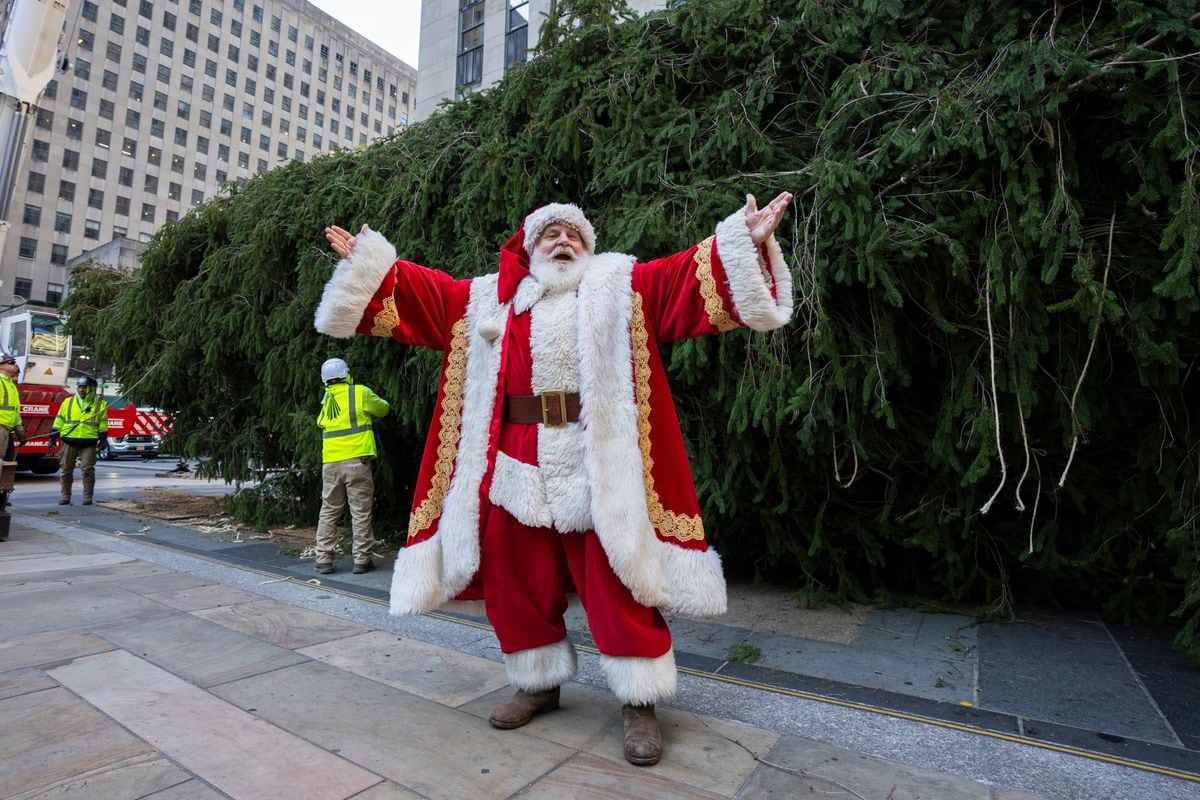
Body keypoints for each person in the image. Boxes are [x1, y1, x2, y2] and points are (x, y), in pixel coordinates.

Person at [315, 192, 794, 766]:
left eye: (574, 236)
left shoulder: (624, 286)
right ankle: (537, 682)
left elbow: (689, 281)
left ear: (589, 249)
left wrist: (744, 240)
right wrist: (371, 265)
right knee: (516, 579)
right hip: (515, 464)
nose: (563, 243)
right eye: (551, 235)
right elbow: (425, 296)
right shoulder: (488, 299)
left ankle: (639, 700)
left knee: (616, 581)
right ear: (530, 246)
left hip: (597, 465)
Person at [314, 356, 390, 575]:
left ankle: (323, 560)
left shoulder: (328, 399)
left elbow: (321, 423)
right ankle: (362, 560)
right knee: (360, 512)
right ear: (346, 374)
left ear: (325, 380)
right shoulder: (360, 392)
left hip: (330, 464)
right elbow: (383, 409)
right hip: (356, 462)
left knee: (328, 510)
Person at [48, 375, 108, 506]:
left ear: (92, 389)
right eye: (79, 387)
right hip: (69, 439)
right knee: (66, 469)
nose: (81, 389)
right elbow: (59, 420)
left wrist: (103, 439)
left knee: (87, 469)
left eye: (84, 387)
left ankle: (87, 497)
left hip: (89, 441)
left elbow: (103, 424)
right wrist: (52, 436)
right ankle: (65, 496)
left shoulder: (100, 405)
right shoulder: (68, 402)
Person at [0, 354, 27, 514]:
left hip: (7, 432)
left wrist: (19, 430)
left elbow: (15, 411)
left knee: (7, 467)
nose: (15, 365)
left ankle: (2, 500)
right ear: (1, 366)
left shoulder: (11, 385)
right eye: (11, 362)